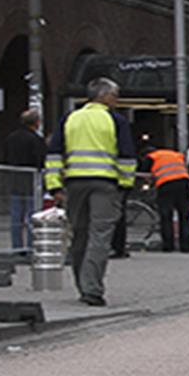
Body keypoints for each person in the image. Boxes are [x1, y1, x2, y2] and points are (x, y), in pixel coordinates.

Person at [44, 77, 134, 307]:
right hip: (105, 184)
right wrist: (125, 185)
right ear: (104, 96)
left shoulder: (70, 118)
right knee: (100, 236)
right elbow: (126, 156)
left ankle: (82, 286)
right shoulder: (116, 120)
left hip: (74, 184)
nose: (116, 100)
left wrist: (54, 186)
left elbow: (54, 154)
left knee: (79, 235)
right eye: (115, 95)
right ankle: (92, 289)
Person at [2, 108, 46, 255]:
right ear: (37, 122)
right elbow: (40, 159)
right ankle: (30, 246)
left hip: (14, 179)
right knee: (32, 214)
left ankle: (17, 247)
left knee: (16, 216)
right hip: (31, 180)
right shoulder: (36, 139)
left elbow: (5, 157)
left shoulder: (11, 138)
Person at [141, 141, 189, 253]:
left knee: (166, 216)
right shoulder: (175, 154)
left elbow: (144, 173)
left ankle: (168, 245)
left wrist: (148, 184)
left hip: (166, 185)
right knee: (184, 216)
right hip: (183, 184)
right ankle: (187, 246)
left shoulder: (152, 157)